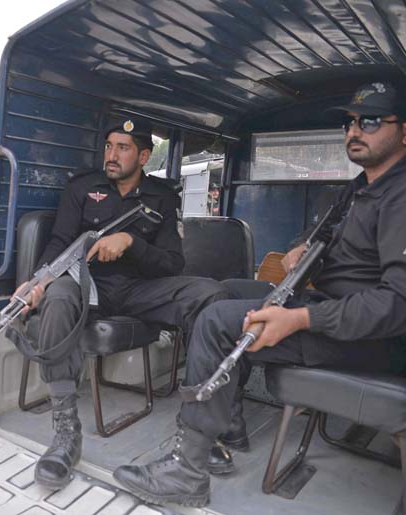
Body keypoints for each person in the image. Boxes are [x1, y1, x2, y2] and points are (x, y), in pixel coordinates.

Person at [113, 82, 406, 508]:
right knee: (221, 292)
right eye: (349, 122)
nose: (354, 131)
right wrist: (302, 247)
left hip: (368, 335)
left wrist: (300, 319)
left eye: (372, 121)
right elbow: (322, 231)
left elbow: (397, 306)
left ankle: (188, 471)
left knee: (216, 321)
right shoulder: (361, 186)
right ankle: (228, 423)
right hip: (327, 307)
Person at [12, 121, 229, 490]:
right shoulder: (83, 188)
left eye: (123, 148)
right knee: (59, 295)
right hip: (87, 284)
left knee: (212, 295)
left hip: (140, 289)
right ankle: (66, 434)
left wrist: (131, 242)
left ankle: (202, 430)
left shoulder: (162, 197)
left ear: (144, 156)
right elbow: (60, 242)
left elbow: (173, 263)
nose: (112, 155)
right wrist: (37, 282)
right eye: (109, 146)